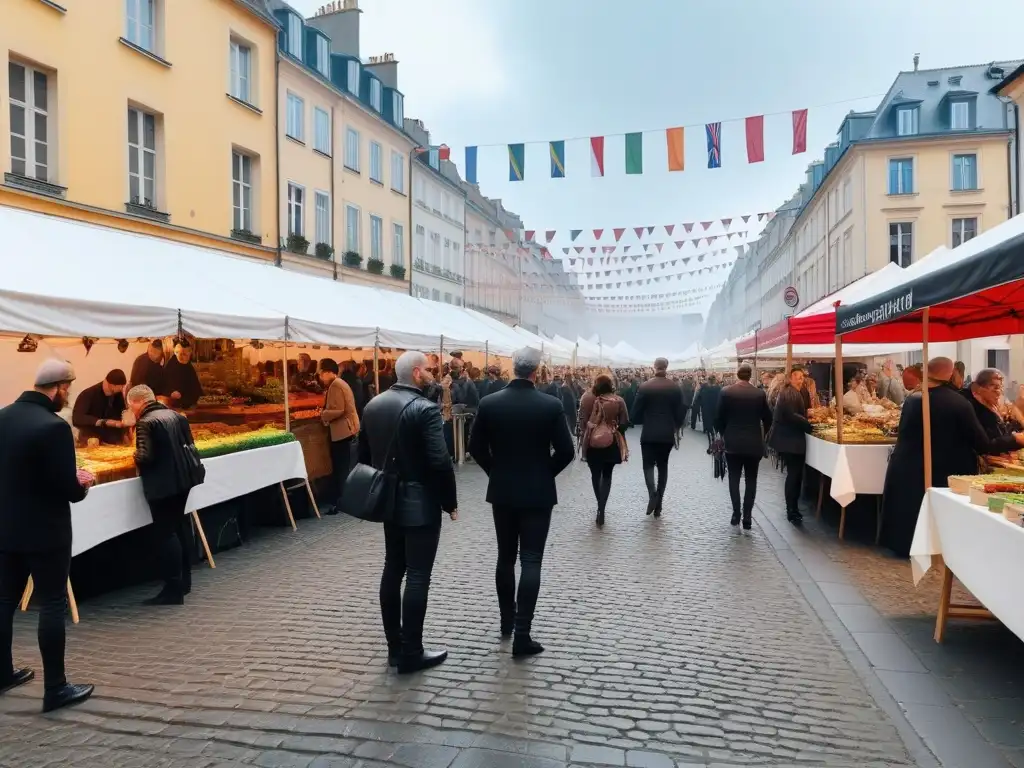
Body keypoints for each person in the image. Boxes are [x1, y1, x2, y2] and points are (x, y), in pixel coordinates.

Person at [0, 360, 95, 712]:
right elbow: (67, 490)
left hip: (6, 527)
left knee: (4, 601)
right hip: (45, 531)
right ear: (57, 387)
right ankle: (55, 688)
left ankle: (2, 673)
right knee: (52, 602)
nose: (67, 396)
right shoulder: (53, 426)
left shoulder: (3, 416)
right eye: (67, 389)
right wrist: (82, 484)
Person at [468, 347, 574, 657]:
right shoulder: (550, 404)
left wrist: (495, 472)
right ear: (536, 371)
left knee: (505, 557)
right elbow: (566, 451)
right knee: (531, 559)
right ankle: (522, 634)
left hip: (503, 491)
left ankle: (506, 621)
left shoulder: (489, 403)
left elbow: (476, 447)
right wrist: (544, 474)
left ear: (514, 369)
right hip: (537, 492)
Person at [357, 351, 457, 674]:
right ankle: (412, 651)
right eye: (427, 370)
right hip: (420, 501)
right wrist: (450, 502)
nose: (431, 374)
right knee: (416, 575)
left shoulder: (373, 405)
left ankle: (395, 648)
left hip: (389, 499)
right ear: (416, 373)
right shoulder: (424, 409)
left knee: (393, 569)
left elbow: (363, 453)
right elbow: (440, 462)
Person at [880, 358, 1024, 557]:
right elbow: (983, 445)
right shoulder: (957, 402)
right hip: (939, 470)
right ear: (950, 374)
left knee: (906, 521)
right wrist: (1015, 439)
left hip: (907, 467)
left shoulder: (914, 398)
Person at [128, 385, 204, 605]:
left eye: (130, 405)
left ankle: (173, 589)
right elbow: (190, 446)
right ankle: (185, 582)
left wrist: (133, 455)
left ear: (137, 402)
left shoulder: (145, 422)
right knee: (179, 527)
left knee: (165, 533)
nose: (131, 410)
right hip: (185, 479)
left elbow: (145, 456)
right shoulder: (177, 416)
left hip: (164, 484)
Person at [715, 364, 773, 530]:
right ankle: (747, 516)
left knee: (733, 478)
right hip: (754, 442)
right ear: (751, 375)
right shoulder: (759, 393)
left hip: (732, 442)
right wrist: (764, 435)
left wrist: (724, 432)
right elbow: (768, 418)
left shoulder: (726, 392)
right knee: (751, 479)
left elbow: (718, 418)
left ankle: (736, 513)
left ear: (737, 374)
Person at [631, 358, 685, 517]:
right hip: (666, 432)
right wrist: (676, 424)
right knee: (663, 466)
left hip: (648, 432)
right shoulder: (675, 387)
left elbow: (635, 413)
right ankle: (659, 503)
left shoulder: (645, 386)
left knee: (647, 465)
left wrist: (641, 420)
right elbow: (681, 412)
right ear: (667, 367)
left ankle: (652, 494)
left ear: (654, 367)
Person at [579, 373, 629, 527]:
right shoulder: (618, 400)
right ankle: (602, 508)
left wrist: (586, 435)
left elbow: (582, 420)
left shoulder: (587, 398)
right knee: (607, 475)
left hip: (592, 442)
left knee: (595, 474)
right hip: (611, 442)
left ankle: (599, 506)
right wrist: (615, 430)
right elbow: (625, 422)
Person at [769, 366, 815, 525]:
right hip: (789, 440)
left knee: (795, 475)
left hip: (791, 439)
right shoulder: (788, 393)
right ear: (790, 378)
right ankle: (791, 509)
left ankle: (793, 508)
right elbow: (792, 416)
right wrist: (809, 424)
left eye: (802, 377)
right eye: (797, 377)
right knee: (794, 475)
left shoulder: (797, 392)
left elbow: (799, 413)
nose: (800, 380)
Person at [319, 359, 359, 516]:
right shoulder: (340, 383)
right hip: (347, 429)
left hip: (342, 431)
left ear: (328, 372)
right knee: (344, 466)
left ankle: (341, 502)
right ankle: (345, 499)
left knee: (341, 467)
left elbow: (338, 409)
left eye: (322, 373)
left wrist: (323, 414)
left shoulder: (336, 385)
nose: (321, 377)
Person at [71, 369, 129, 445]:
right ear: (112, 385)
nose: (122, 389)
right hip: (91, 439)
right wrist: (103, 422)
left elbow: (121, 413)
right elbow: (77, 418)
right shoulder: (88, 394)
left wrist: (125, 432)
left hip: (112, 440)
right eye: (121, 387)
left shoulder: (117, 395)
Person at [161, 338, 203, 410]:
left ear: (190, 352)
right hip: (177, 407)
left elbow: (194, 384)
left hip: (190, 405)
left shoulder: (188, 365)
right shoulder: (171, 366)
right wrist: (171, 392)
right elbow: (163, 386)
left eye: (186, 354)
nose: (183, 357)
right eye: (180, 354)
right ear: (175, 352)